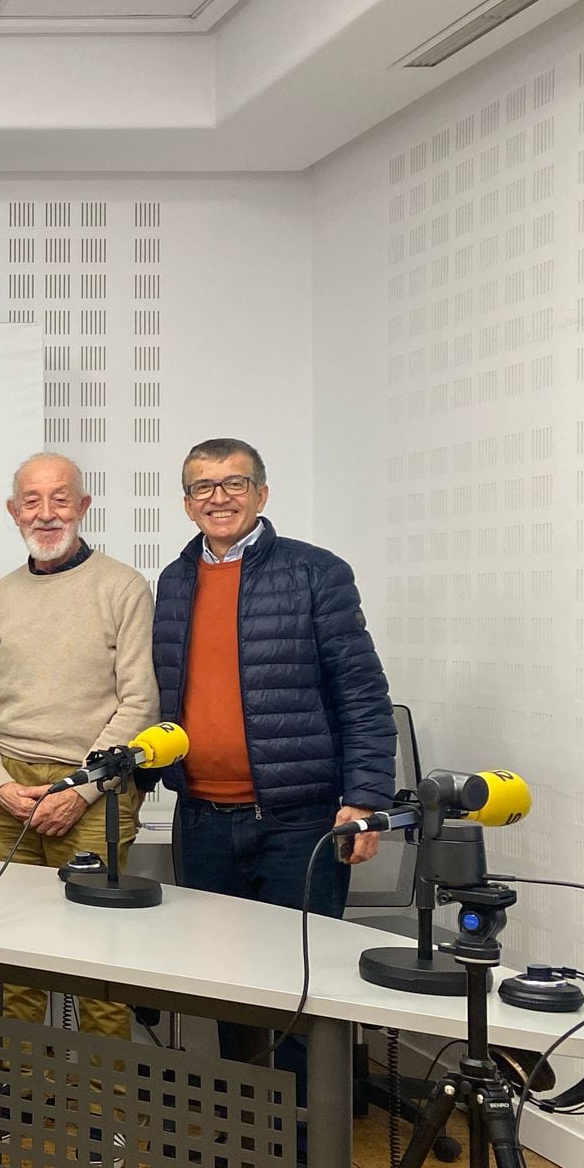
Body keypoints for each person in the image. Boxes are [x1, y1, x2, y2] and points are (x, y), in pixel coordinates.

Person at [152, 438, 394, 1092]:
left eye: (235, 483)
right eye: (204, 486)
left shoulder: (315, 573)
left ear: (262, 493)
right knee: (227, 982)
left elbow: (362, 692)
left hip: (300, 822)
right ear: (186, 502)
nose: (219, 497)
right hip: (202, 817)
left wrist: (365, 795)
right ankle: (253, 1124)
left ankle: (310, 1144)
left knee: (300, 984)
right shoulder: (174, 582)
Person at [0, 452, 157, 1038]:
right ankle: (16, 1108)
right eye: (32, 502)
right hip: (7, 795)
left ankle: (105, 1120)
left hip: (94, 793)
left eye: (60, 499)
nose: (46, 514)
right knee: (14, 961)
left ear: (84, 507)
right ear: (14, 511)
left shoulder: (123, 586)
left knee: (98, 964)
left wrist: (80, 789)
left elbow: (139, 704)